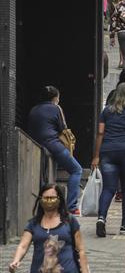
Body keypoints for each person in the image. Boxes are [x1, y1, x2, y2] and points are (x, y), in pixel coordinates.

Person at [92, 83, 125, 237]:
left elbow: (100, 133)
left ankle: (101, 218)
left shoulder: (106, 111)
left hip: (108, 152)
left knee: (108, 188)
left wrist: (96, 156)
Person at [27, 86, 82, 215]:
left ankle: (48, 204)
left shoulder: (33, 109)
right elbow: (63, 128)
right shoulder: (56, 108)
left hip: (36, 146)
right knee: (76, 170)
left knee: (47, 177)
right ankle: (72, 206)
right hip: (53, 144)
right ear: (55, 98)